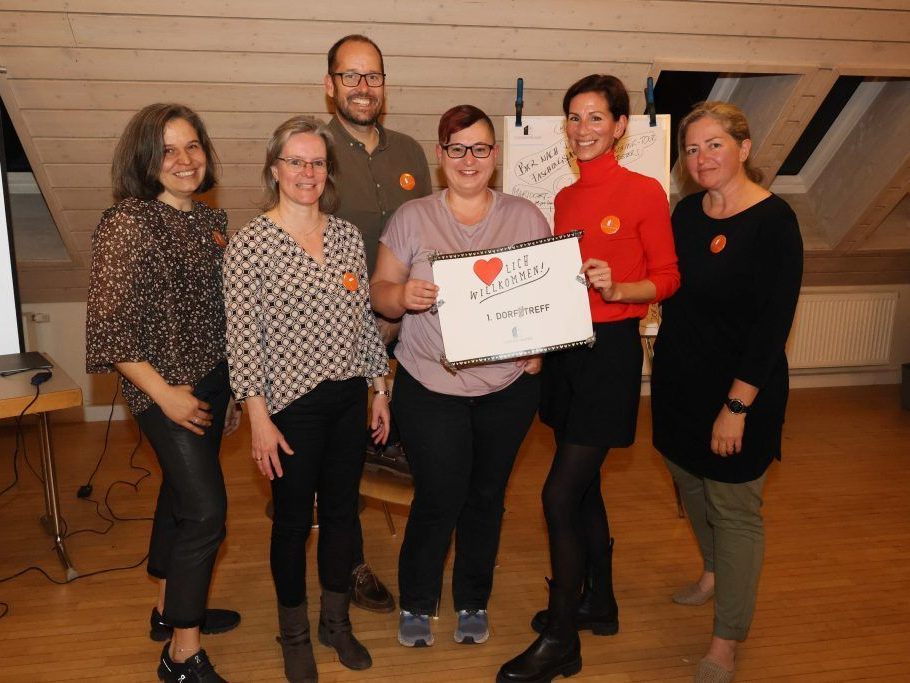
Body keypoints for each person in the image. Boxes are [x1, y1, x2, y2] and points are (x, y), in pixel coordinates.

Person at [499, 74, 680, 683]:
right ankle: (598, 602)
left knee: (557, 495)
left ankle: (561, 639)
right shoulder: (566, 197)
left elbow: (668, 277)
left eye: (596, 117)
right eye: (574, 118)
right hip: (567, 350)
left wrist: (619, 288)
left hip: (610, 355)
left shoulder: (644, 191)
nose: (583, 129)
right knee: (585, 489)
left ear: (621, 125)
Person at [371, 104, 550, 649]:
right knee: (438, 495)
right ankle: (418, 602)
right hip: (430, 385)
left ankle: (473, 599)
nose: (468, 160)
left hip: (508, 389)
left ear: (494, 155)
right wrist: (402, 295)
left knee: (487, 497)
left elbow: (546, 299)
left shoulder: (526, 216)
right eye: (456, 148)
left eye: (479, 148)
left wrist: (540, 347)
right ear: (440, 154)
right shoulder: (412, 217)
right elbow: (379, 292)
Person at [223, 115, 390, 682]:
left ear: (328, 171)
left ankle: (335, 623)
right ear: (275, 169)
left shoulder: (346, 236)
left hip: (347, 400)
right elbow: (242, 339)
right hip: (289, 407)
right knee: (293, 523)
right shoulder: (250, 245)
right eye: (295, 161)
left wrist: (379, 387)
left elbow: (362, 321)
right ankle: (293, 634)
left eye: (316, 162)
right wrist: (258, 418)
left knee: (342, 516)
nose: (306, 172)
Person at [86, 103, 239, 683]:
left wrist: (232, 389)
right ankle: (181, 654)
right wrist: (166, 396)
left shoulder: (209, 221)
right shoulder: (127, 223)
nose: (184, 160)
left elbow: (221, 314)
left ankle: (169, 611)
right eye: (168, 150)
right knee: (206, 512)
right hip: (163, 389)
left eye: (192, 146)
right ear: (146, 159)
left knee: (180, 497)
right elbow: (109, 330)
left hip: (212, 382)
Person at [650, 101, 803, 683]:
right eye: (692, 149)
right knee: (689, 480)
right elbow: (668, 284)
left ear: (744, 147)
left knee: (734, 509)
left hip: (739, 393)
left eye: (714, 144)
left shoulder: (774, 222)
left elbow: (771, 327)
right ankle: (713, 571)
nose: (702, 157)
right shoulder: (687, 213)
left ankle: (726, 639)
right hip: (679, 384)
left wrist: (736, 407)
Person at [323, 33, 433, 613]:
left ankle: (425, 554)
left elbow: (430, 236)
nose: (363, 88)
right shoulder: (313, 151)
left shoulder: (411, 151)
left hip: (410, 328)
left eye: (373, 76)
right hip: (338, 335)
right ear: (330, 85)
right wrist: (371, 321)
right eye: (351, 76)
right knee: (344, 458)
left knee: (406, 447)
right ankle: (352, 564)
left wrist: (397, 312)